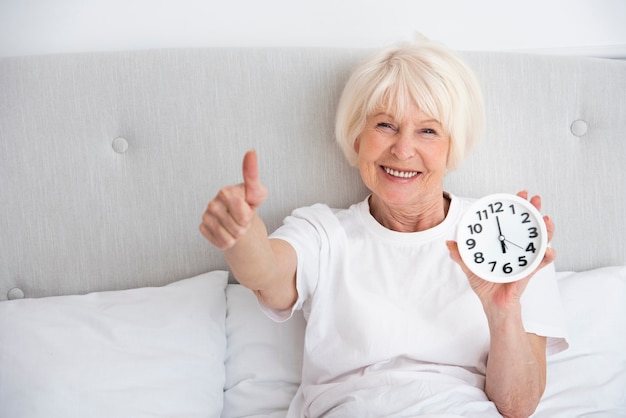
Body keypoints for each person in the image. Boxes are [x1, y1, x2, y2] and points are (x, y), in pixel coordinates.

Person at [199, 36, 567, 418]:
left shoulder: (511, 240)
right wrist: (240, 233)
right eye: (386, 125)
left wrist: (502, 310)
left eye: (428, 131)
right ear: (358, 137)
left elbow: (518, 405)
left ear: (452, 146)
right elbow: (269, 277)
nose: (403, 149)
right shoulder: (324, 232)